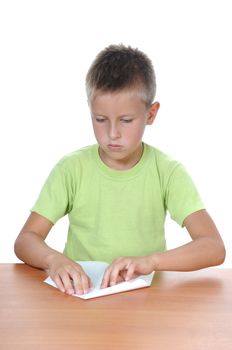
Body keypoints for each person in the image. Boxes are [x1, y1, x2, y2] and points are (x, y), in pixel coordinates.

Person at [14, 44, 226, 296]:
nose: (112, 133)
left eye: (126, 120)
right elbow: (26, 239)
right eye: (100, 119)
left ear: (151, 113)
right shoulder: (71, 169)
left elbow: (213, 246)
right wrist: (53, 259)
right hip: (80, 300)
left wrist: (152, 261)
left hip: (144, 300)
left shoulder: (167, 172)